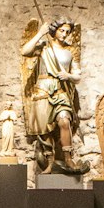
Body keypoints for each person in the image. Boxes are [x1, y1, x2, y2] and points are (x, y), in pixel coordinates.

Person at [22, 19, 84, 174]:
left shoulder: (70, 51)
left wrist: (68, 76)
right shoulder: (44, 47)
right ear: (55, 31)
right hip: (43, 89)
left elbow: (78, 76)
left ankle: (68, 158)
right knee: (44, 128)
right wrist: (40, 33)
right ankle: (50, 162)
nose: (64, 34)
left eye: (67, 32)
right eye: (62, 30)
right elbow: (25, 51)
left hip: (60, 90)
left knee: (64, 120)